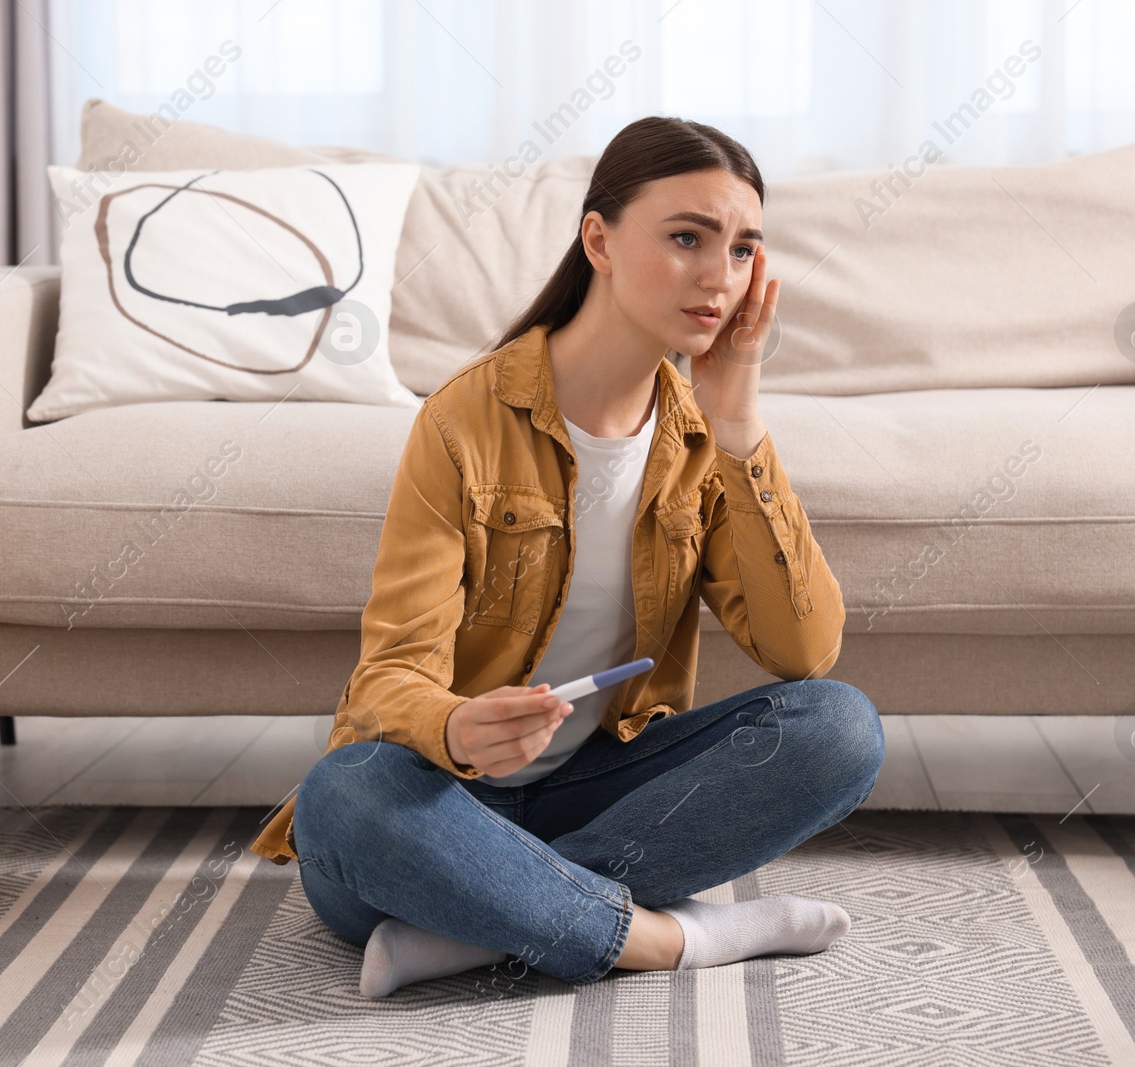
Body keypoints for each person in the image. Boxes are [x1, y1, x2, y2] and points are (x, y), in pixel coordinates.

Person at [250, 114, 885, 998]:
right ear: (600, 239)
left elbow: (803, 651)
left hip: (592, 790)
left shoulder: (707, 438)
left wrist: (739, 430)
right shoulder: (463, 422)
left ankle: (483, 923)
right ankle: (670, 939)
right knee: (344, 794)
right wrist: (455, 728)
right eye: (687, 238)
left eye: (742, 250)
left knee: (840, 726)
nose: (718, 277)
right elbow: (390, 676)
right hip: (441, 801)